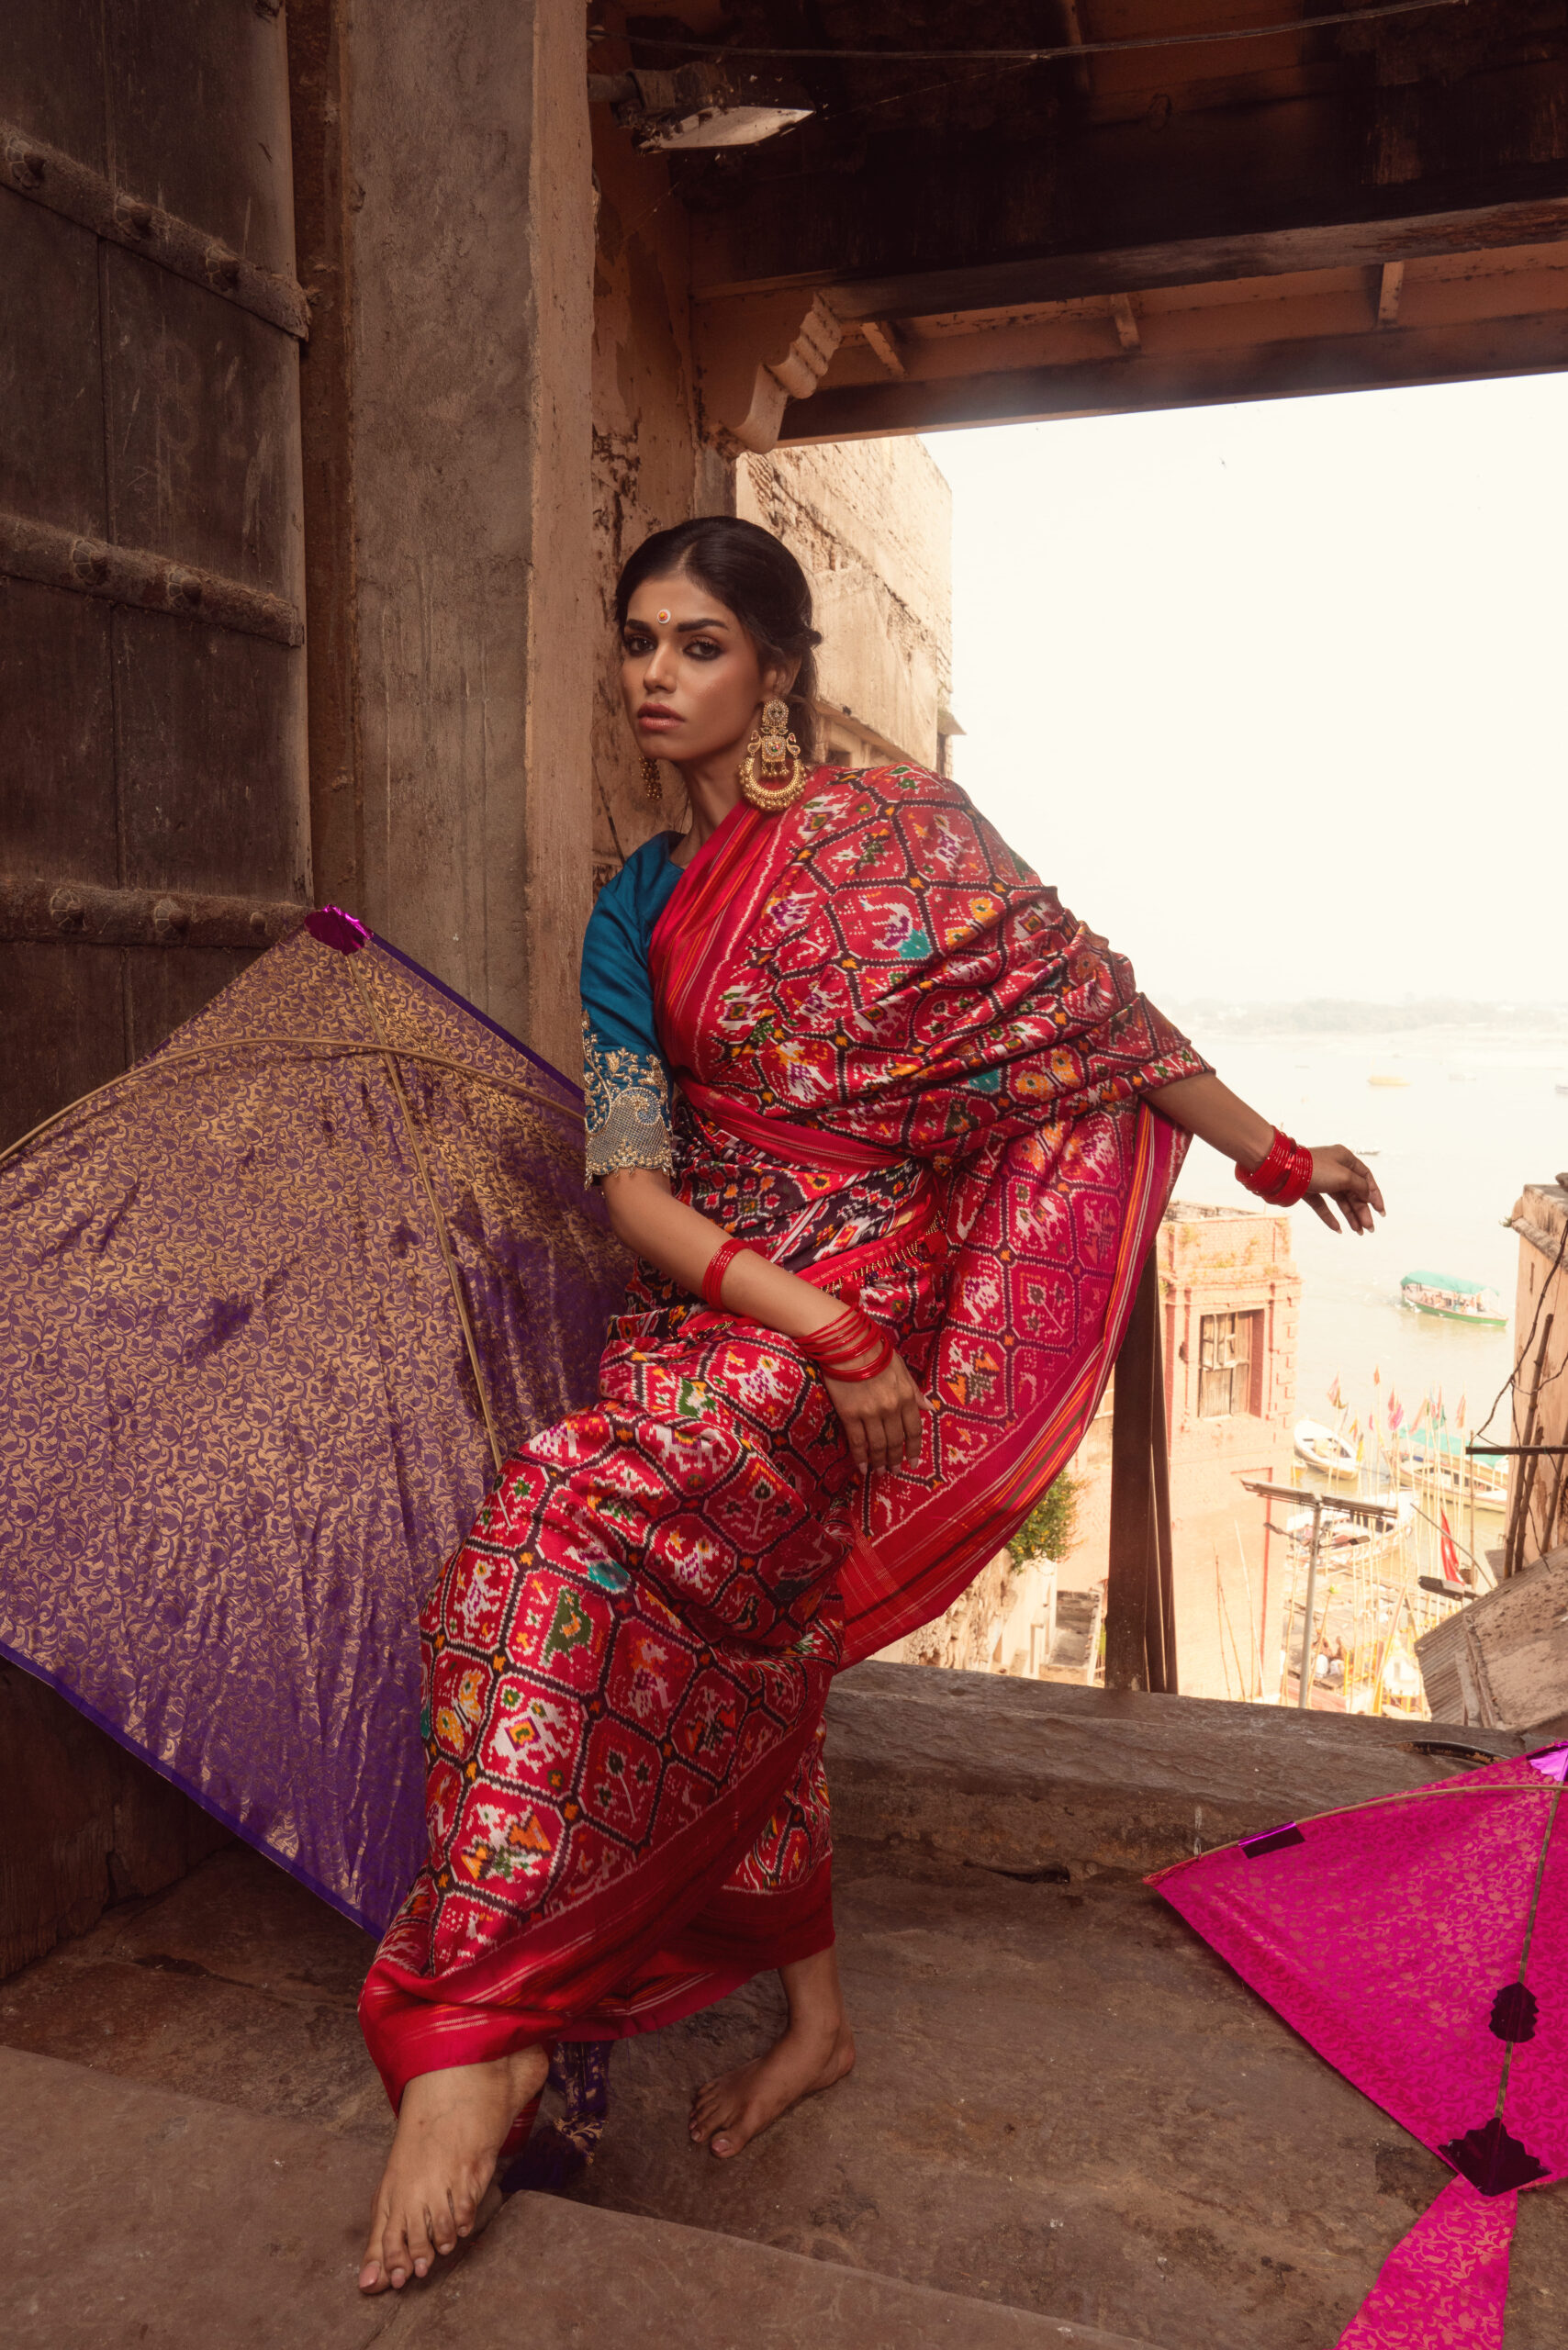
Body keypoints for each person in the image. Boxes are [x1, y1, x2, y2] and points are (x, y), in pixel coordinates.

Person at [355, 516, 1383, 2294]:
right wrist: (803, 1316)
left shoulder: (891, 836)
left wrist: (1278, 1156)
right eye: (637, 642)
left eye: (696, 644)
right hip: (731, 1302)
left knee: (555, 1519)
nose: (653, 675)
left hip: (877, 1296)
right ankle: (809, 2020)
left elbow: (1093, 1021)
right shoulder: (635, 904)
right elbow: (631, 1187)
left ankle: (478, 2024)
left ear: (775, 671)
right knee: (749, 1630)